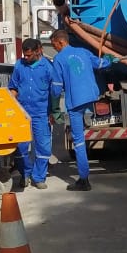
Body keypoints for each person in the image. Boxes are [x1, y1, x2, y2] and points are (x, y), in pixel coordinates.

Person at [49, 29, 113, 191]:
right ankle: (87, 118)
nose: (54, 48)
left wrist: (53, 106)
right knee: (82, 128)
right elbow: (101, 64)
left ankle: (84, 180)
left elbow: (56, 88)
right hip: (91, 96)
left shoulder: (59, 59)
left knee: (78, 141)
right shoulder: (83, 52)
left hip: (75, 102)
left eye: (54, 45)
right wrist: (109, 59)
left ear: (61, 42)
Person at [9, 38, 54, 190]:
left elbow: (54, 91)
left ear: (37, 51)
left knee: (43, 147)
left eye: (29, 55)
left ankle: (39, 177)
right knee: (21, 147)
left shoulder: (47, 67)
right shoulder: (19, 65)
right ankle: (25, 174)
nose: (26, 58)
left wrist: (54, 111)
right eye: (25, 55)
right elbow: (13, 88)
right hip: (22, 113)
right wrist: (10, 105)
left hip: (41, 113)